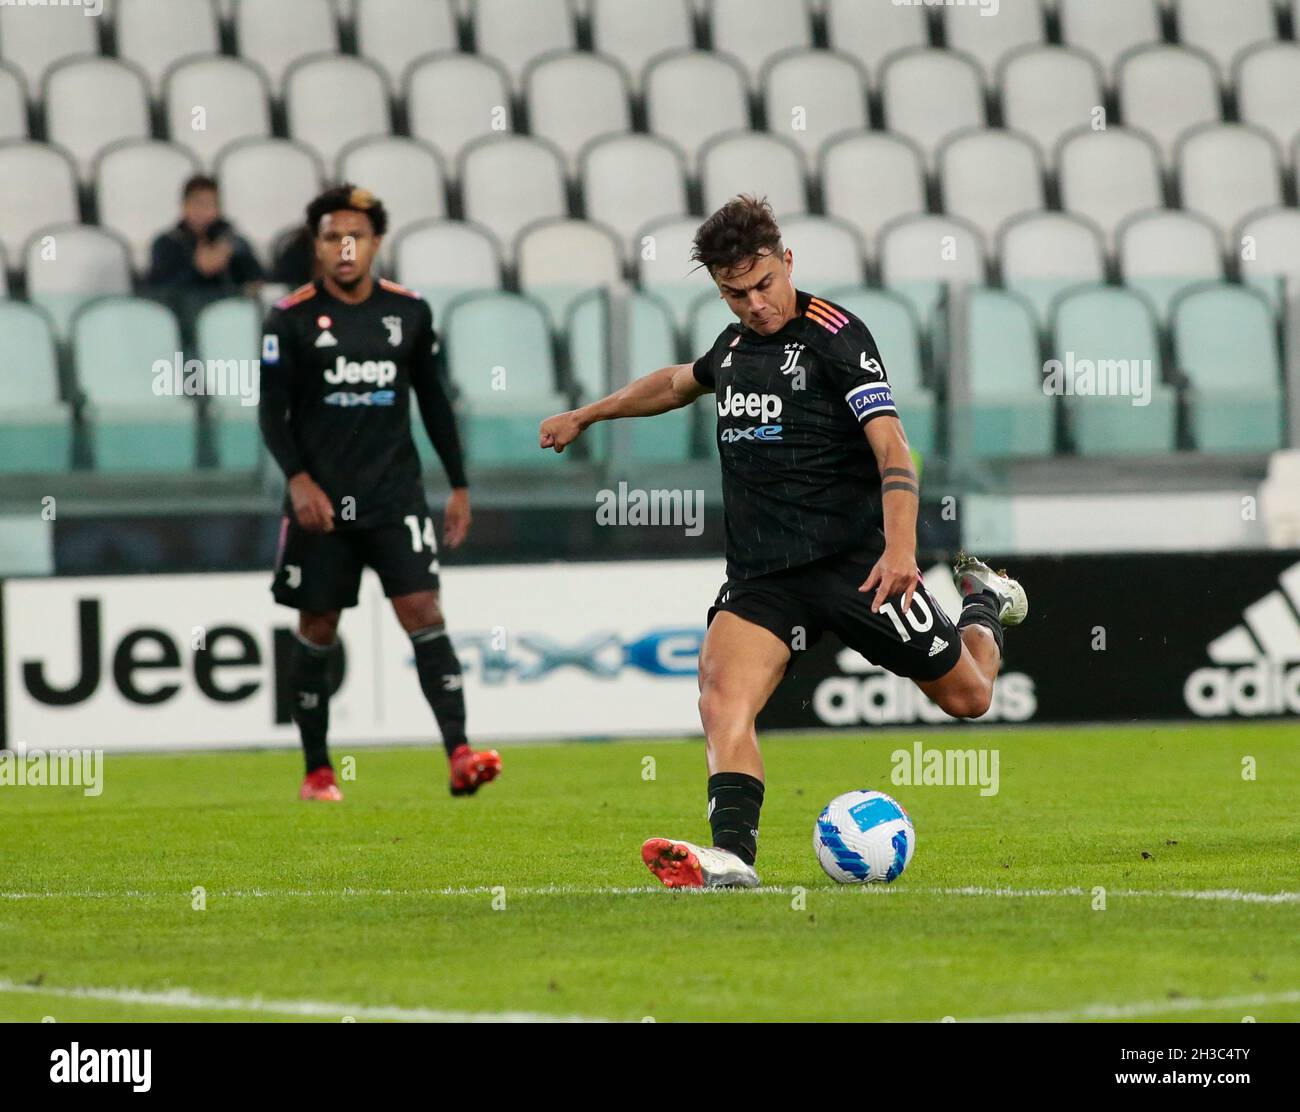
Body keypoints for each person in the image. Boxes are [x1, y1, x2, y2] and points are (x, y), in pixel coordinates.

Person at [539, 196, 1026, 887]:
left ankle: (982, 603)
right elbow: (677, 384)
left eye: (764, 284)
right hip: (766, 576)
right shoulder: (734, 348)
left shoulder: (837, 336)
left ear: (786, 261)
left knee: (969, 698)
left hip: (859, 564)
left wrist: (900, 549)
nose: (754, 303)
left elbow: (892, 448)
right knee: (718, 696)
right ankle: (733, 857)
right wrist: (588, 415)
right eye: (734, 292)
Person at [258, 183, 500, 801]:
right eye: (333, 236)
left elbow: (436, 403)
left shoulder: (409, 313)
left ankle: (460, 755)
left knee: (425, 612)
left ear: (375, 243)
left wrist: (461, 485)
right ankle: (317, 770)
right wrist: (300, 480)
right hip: (322, 510)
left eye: (357, 236)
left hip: (395, 499)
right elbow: (270, 413)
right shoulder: (288, 319)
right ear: (316, 246)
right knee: (317, 627)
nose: (345, 247)